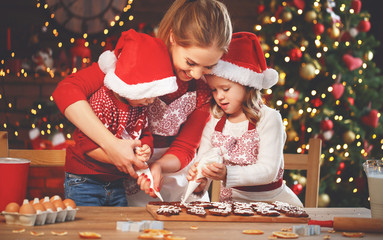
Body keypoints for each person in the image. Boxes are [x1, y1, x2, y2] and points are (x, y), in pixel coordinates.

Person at [52, 0, 232, 206]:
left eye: (209, 66)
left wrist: (159, 166)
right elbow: (66, 91)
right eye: (190, 62)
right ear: (173, 37)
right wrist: (111, 145)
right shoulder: (136, 59)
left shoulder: (202, 89)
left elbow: (186, 146)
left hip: (174, 175)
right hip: (127, 180)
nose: (198, 74)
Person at [186, 32, 303, 207]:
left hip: (273, 203)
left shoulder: (269, 119)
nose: (219, 97)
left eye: (225, 88)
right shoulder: (214, 121)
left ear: (247, 84)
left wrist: (227, 174)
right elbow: (204, 160)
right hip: (231, 205)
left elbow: (269, 170)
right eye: (214, 90)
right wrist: (200, 181)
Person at [62, 29, 177, 206]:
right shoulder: (102, 101)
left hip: (116, 184)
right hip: (85, 181)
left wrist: (146, 148)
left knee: (118, 227)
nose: (151, 100)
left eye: (155, 95)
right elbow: (86, 144)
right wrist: (124, 159)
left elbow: (144, 133)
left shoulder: (139, 105)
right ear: (131, 85)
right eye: (148, 93)